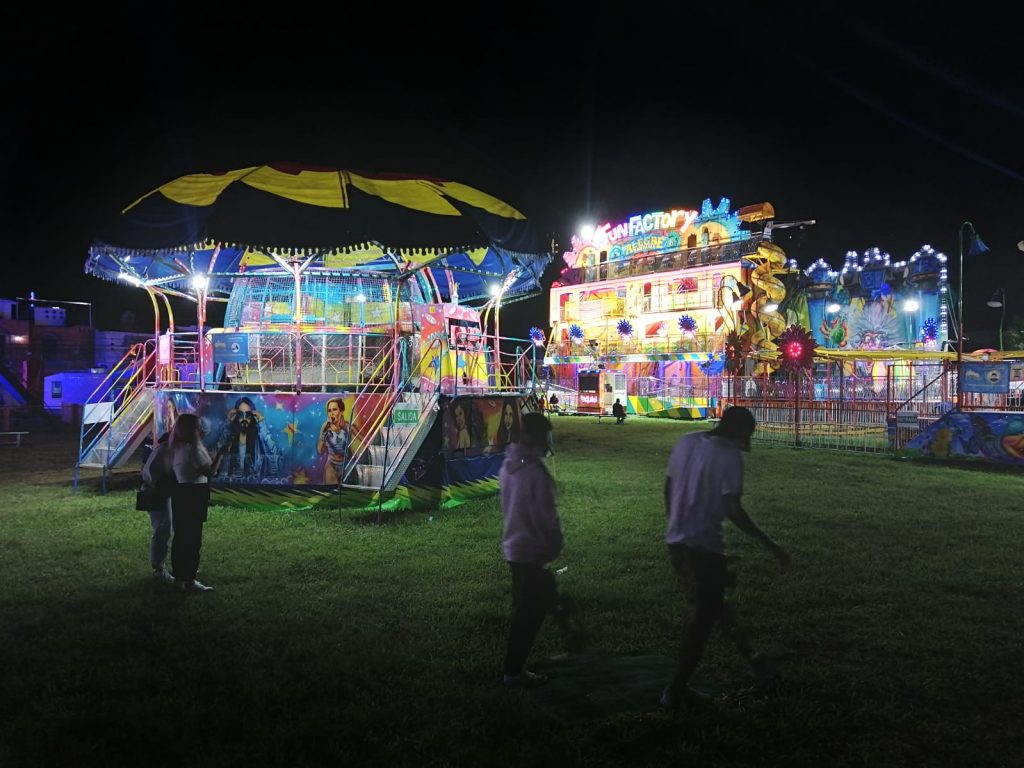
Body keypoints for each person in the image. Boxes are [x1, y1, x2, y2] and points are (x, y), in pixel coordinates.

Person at [661, 406, 790, 709]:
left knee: (715, 605)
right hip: (704, 546)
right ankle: (676, 690)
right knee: (703, 620)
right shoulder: (729, 455)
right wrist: (769, 543)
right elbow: (733, 509)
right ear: (740, 433)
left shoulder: (687, 441)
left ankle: (752, 657)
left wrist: (675, 525)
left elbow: (668, 487)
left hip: (678, 543)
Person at [499, 412, 562, 688]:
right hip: (533, 550)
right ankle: (513, 672)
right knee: (530, 614)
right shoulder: (536, 473)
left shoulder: (507, 467)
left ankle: (516, 669)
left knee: (526, 607)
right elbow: (546, 515)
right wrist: (554, 541)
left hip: (514, 547)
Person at [170, 413, 227, 593]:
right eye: (197, 426)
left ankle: (180, 576)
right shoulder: (192, 450)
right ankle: (189, 579)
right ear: (191, 429)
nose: (201, 430)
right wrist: (221, 453)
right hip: (193, 494)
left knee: (181, 537)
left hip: (182, 493)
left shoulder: (179, 447)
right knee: (193, 539)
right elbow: (210, 471)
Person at [214, 396, 281, 482]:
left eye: (248, 415)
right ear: (236, 416)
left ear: (253, 416)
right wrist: (228, 423)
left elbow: (275, 454)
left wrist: (262, 424)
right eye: (241, 415)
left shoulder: (259, 440)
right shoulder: (230, 438)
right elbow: (217, 452)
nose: (244, 419)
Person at [140, 431, 175, 585]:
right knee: (162, 531)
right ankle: (158, 570)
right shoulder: (165, 451)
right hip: (156, 492)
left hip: (160, 491)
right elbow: (153, 475)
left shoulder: (165, 449)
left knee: (165, 530)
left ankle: (161, 567)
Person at [317, 397, 351, 484]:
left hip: (346, 464)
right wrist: (324, 432)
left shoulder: (348, 426)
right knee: (331, 492)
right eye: (329, 410)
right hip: (331, 465)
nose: (331, 413)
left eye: (334, 410)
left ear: (341, 411)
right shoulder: (325, 427)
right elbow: (320, 450)